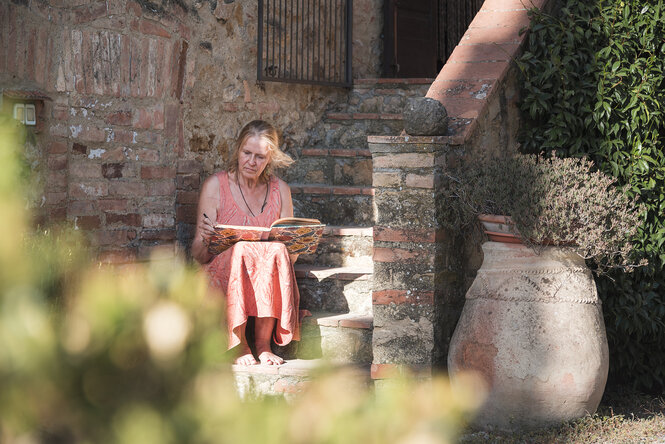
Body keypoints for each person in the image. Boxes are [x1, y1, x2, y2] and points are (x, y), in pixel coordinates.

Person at [192, 120, 300, 366]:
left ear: (270, 158)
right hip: (223, 273)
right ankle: (238, 344)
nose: (251, 162)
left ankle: (263, 344)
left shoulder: (280, 190)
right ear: (237, 150)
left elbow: (288, 259)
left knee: (274, 250)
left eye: (260, 157)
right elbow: (198, 256)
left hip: (264, 271)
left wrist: (295, 243)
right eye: (246, 153)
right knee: (241, 249)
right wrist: (208, 239)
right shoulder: (215, 186)